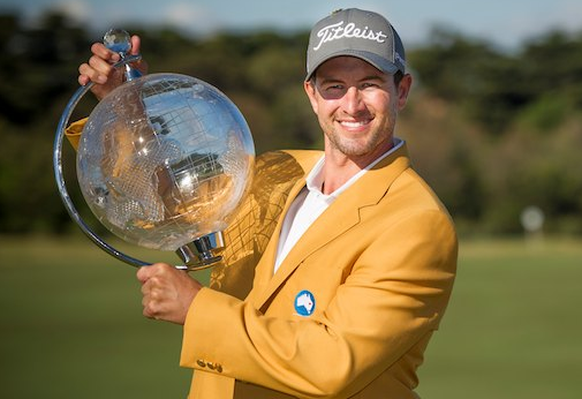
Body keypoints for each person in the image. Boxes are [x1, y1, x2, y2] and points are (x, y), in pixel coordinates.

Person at [74, 8, 457, 399]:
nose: (352, 104)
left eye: (370, 84)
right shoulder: (274, 172)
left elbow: (333, 363)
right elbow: (167, 205)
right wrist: (122, 107)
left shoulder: (417, 222)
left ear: (403, 90)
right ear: (312, 94)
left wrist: (197, 310)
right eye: (334, 86)